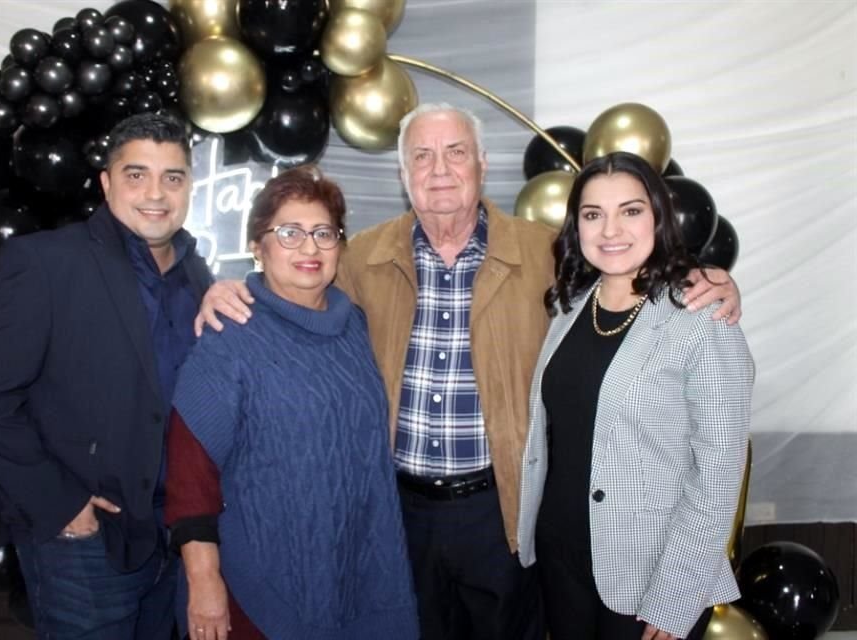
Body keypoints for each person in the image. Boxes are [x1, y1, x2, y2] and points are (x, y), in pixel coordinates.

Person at [197, 103, 743, 640]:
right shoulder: (359, 257)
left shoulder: (546, 252)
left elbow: (625, 270)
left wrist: (709, 277)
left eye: (455, 152)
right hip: (398, 511)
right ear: (403, 174)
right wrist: (235, 287)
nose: (439, 169)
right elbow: (297, 291)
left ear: (482, 164)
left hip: (502, 513)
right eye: (422, 156)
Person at [0, 112, 213, 639]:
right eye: (137, 174)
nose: (156, 193)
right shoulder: (47, 262)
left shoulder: (195, 273)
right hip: (85, 541)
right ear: (106, 183)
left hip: (170, 536)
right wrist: (62, 502)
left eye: (173, 177)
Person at [164, 166, 419, 640]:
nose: (309, 248)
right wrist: (204, 582)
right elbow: (189, 480)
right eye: (289, 233)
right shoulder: (229, 335)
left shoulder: (357, 329)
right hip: (254, 589)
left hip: (356, 574)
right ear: (258, 247)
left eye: (324, 233)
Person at [516, 151, 754, 640]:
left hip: (651, 576)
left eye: (630, 210)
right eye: (592, 214)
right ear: (576, 226)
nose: (610, 230)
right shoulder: (570, 306)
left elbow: (717, 475)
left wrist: (675, 598)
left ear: (658, 217)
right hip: (562, 562)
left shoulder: (702, 318)